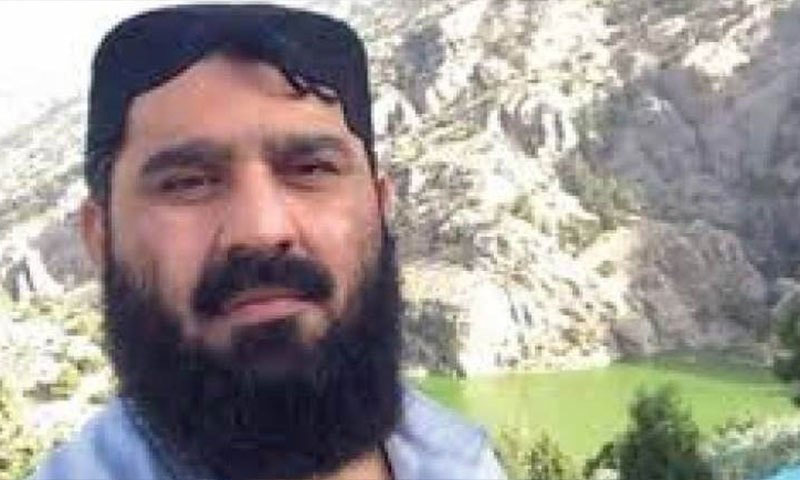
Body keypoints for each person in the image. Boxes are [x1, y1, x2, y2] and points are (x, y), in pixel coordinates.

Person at [30, 4, 506, 480]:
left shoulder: (464, 461)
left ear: (380, 208)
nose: (261, 229)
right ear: (101, 237)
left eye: (310, 169)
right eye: (188, 182)